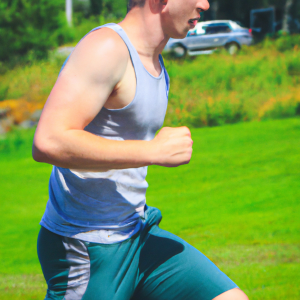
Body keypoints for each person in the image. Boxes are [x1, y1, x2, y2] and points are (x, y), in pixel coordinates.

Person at [33, 0, 249, 299]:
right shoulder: (106, 48)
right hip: (88, 247)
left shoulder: (155, 62)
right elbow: (49, 141)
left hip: (137, 232)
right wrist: (152, 151)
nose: (205, 4)